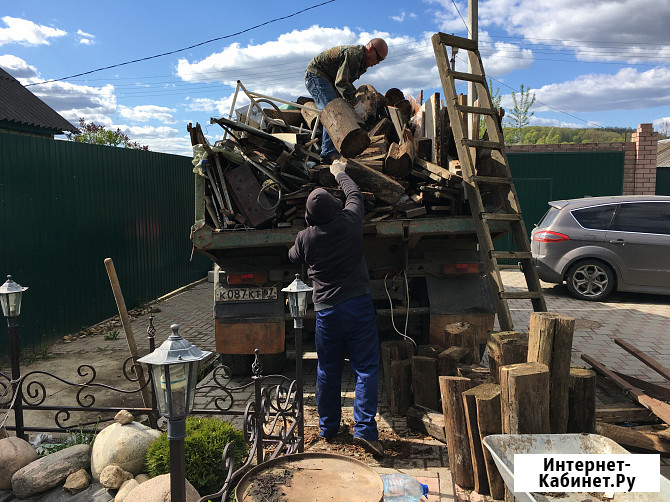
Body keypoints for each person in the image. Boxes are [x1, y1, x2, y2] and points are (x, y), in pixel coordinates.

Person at [288, 159, 383, 457]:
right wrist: (339, 171)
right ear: (336, 207)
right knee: (366, 368)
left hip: (326, 313)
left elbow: (292, 257)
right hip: (358, 306)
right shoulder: (351, 220)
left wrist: (301, 241)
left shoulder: (306, 238)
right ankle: (365, 431)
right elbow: (354, 194)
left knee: (327, 369)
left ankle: (329, 428)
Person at [305, 38, 388, 164]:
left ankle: (332, 149)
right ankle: (328, 154)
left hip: (329, 80)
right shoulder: (355, 55)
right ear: (370, 48)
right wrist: (355, 103)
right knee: (332, 112)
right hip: (317, 76)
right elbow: (341, 83)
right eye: (379, 58)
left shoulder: (361, 62)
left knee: (341, 110)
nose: (378, 62)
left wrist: (353, 103)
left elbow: (345, 84)